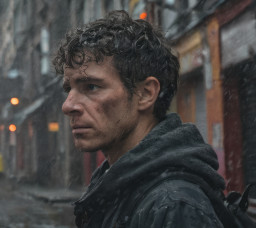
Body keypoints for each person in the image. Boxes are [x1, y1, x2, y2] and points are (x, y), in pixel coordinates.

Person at [53, 10, 227, 227]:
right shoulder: (119, 187)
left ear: (145, 94)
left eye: (91, 86)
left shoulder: (173, 207)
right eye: (69, 89)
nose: (68, 105)